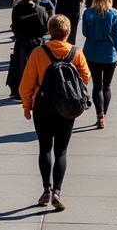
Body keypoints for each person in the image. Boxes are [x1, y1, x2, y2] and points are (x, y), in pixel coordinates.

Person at [19, 14, 91, 211]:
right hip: (66, 107)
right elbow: (86, 77)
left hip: (43, 105)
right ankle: (58, 192)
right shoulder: (76, 53)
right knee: (61, 150)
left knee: (44, 148)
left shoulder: (38, 52)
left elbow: (26, 84)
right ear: (68, 32)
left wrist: (27, 106)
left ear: (50, 31)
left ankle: (45, 189)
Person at [81, 0, 117, 128]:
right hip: (109, 55)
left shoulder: (88, 13)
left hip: (92, 53)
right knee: (107, 86)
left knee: (97, 86)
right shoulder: (114, 14)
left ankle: (99, 115)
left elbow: (85, 32)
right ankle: (104, 114)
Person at [7, 0, 50, 100]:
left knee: (21, 68)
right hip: (37, 43)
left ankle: (20, 90)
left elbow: (15, 26)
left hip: (22, 42)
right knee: (38, 68)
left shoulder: (17, 9)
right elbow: (46, 28)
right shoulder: (41, 10)